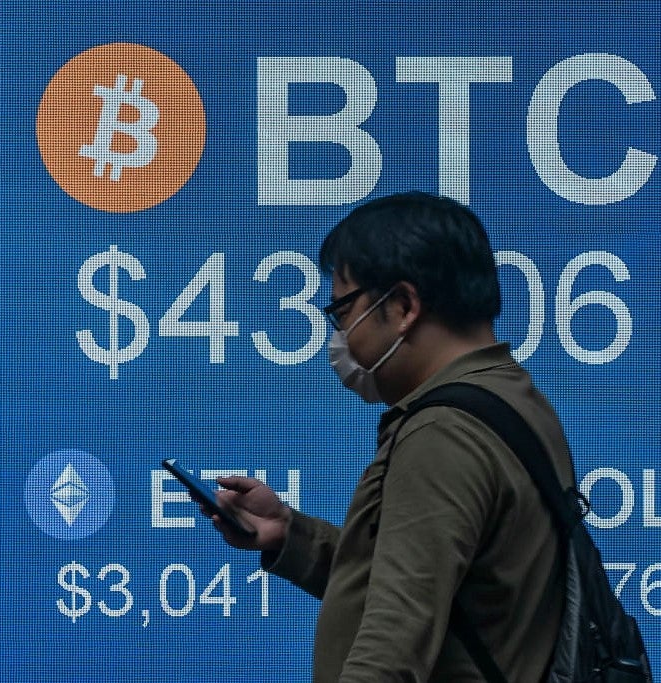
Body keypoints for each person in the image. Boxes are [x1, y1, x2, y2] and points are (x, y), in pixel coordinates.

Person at [209, 192, 576, 682]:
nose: (339, 337)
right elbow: (435, 581)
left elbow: (392, 647)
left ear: (403, 305)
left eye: (341, 311)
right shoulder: (513, 398)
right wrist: (292, 535)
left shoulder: (442, 434)